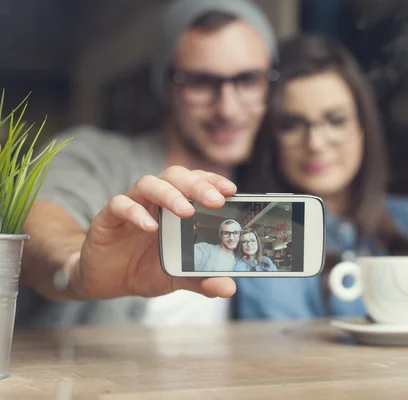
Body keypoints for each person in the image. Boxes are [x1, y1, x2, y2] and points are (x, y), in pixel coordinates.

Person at [17, 0, 278, 328]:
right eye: (200, 82)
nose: (227, 108)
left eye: (248, 80)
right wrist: (75, 264)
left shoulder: (270, 188)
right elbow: (41, 222)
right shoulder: (95, 156)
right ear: (166, 87)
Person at [233, 34, 408, 320]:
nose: (315, 143)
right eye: (291, 124)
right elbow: (279, 348)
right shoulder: (263, 232)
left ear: (363, 127)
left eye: (336, 121)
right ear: (271, 137)